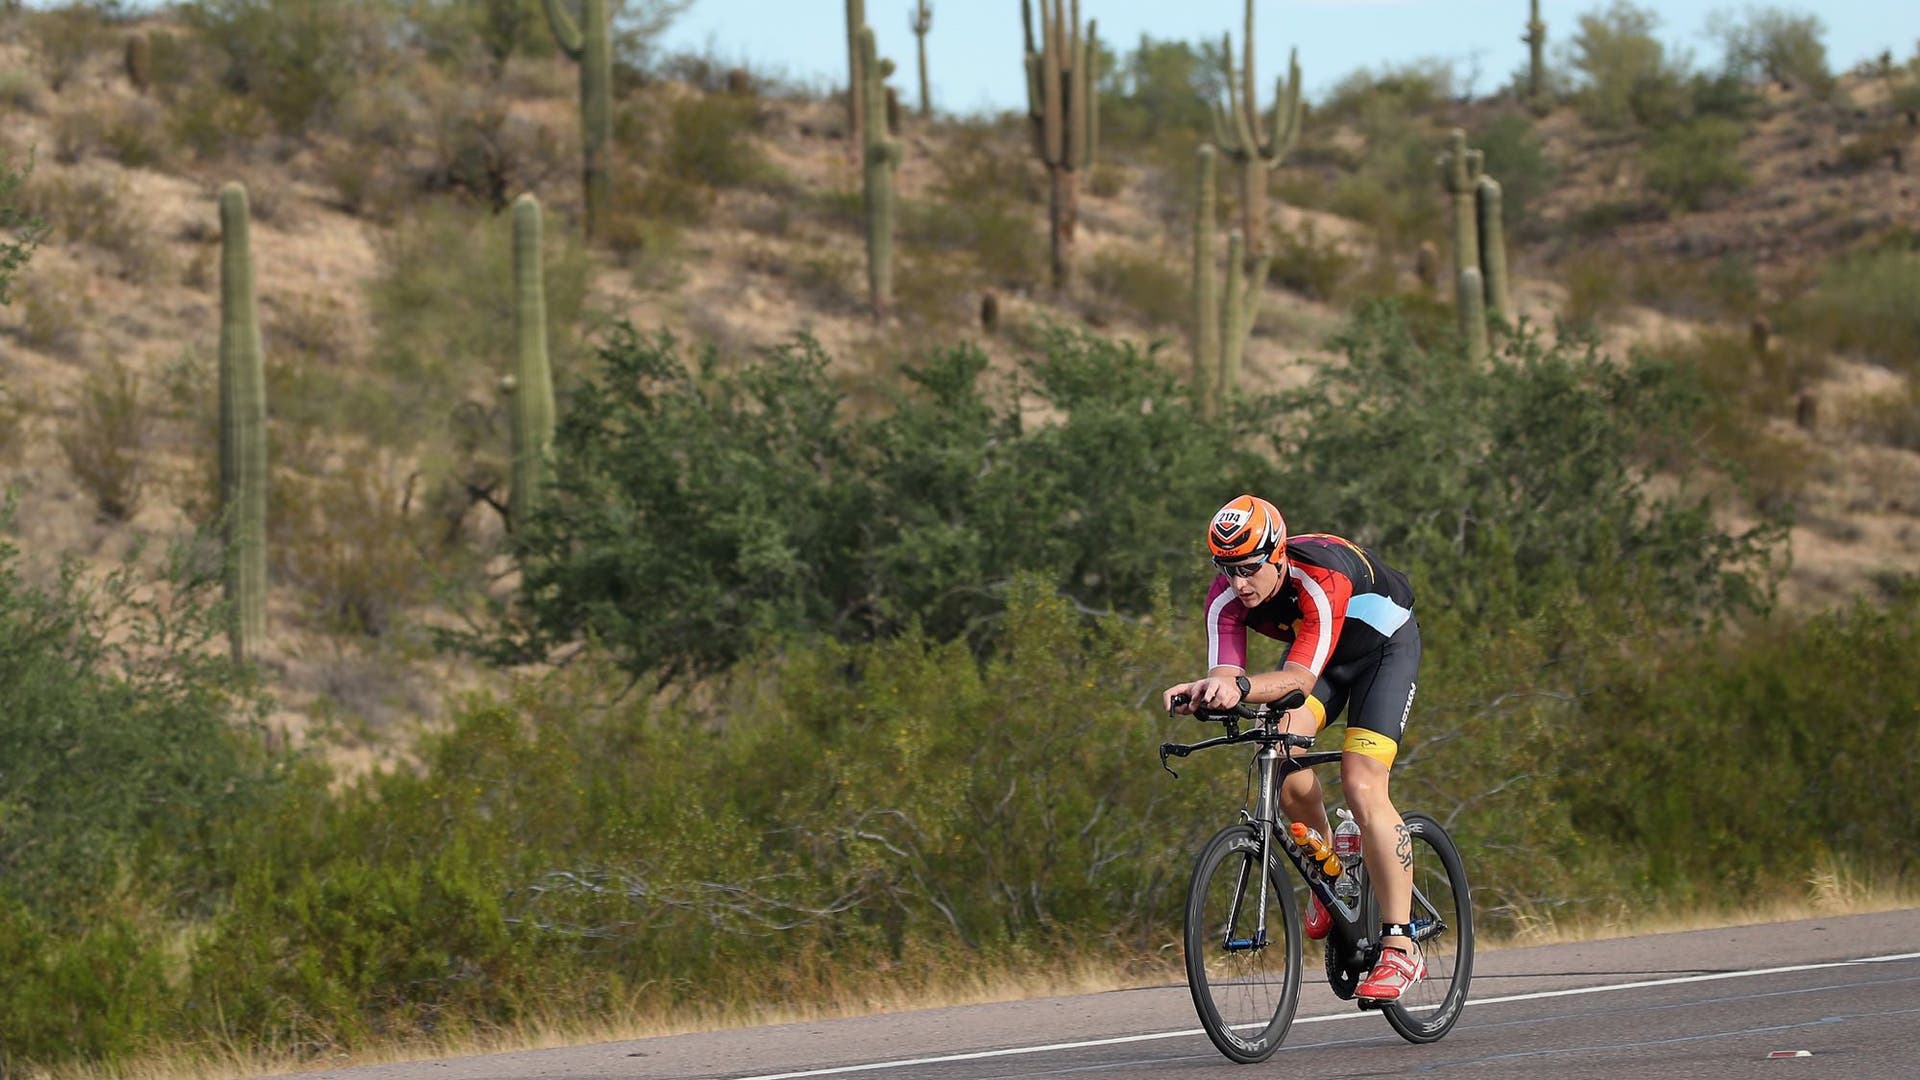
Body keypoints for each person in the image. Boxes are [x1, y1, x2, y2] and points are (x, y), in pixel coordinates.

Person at [1162, 494, 1425, 1002]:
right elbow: (1229, 678)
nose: (1239, 584)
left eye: (1249, 569)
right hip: (1324, 653)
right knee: (1281, 752)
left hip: (1383, 650)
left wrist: (1237, 689)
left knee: (1362, 782)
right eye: (1227, 569)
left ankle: (1400, 944)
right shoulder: (1225, 598)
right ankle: (1329, 869)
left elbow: (1298, 679)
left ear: (1278, 555)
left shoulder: (1320, 578)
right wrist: (1202, 692)